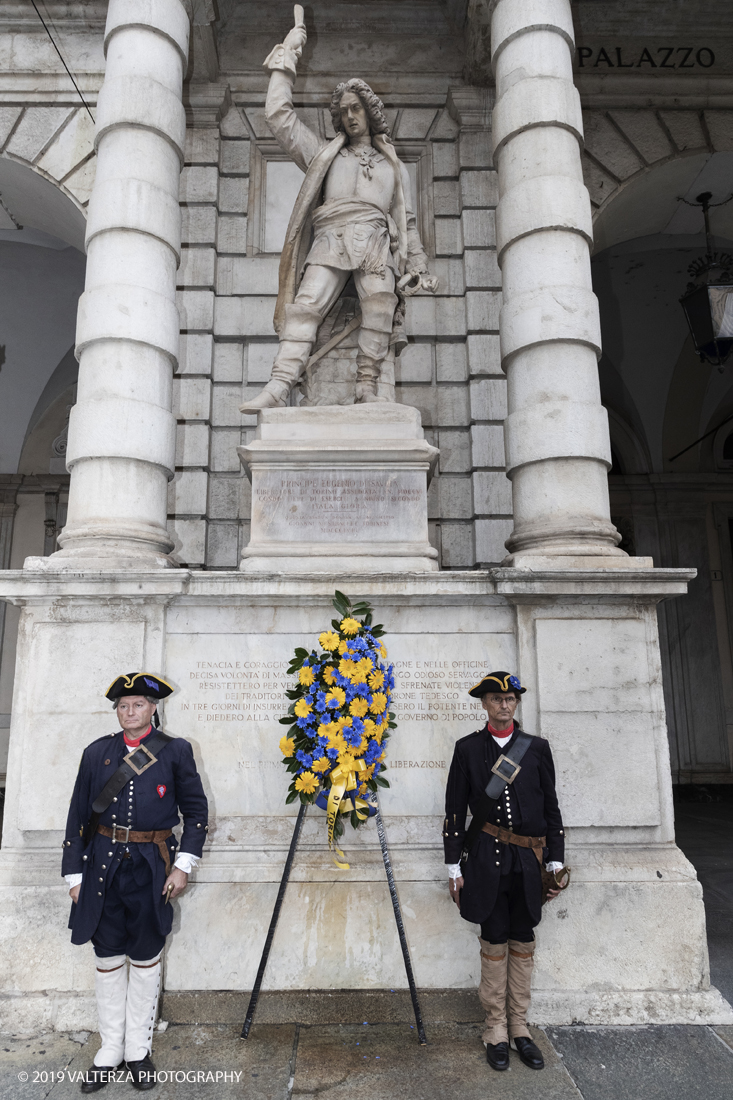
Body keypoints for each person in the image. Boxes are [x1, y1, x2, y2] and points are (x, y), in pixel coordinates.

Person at [240, 6, 437, 412]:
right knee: (306, 305)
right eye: (343, 111)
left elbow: (407, 220)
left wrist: (416, 263)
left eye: (355, 109)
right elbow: (278, 117)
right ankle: (278, 385)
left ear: (369, 111)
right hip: (331, 238)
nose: (349, 117)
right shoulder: (324, 156)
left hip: (376, 243)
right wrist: (287, 59)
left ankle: (367, 385)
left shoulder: (392, 165)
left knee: (379, 304)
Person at [62, 673, 208, 1092]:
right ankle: (110, 1048)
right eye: (124, 706)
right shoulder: (97, 752)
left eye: (138, 705)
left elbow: (196, 813)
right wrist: (74, 874)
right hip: (102, 866)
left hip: (152, 866)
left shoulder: (176, 751)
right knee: (107, 956)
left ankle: (137, 1050)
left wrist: (182, 866)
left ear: (153, 708)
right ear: (117, 711)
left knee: (145, 955)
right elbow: (76, 816)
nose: (131, 712)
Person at [443, 671, 565, 1072]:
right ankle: (495, 1028)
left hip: (528, 862)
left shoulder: (536, 749)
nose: (504, 704)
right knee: (493, 937)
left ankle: (519, 1027)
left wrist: (555, 862)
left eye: (510, 698)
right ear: (484, 704)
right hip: (484, 861)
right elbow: (455, 813)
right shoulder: (467, 749)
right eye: (496, 698)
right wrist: (452, 867)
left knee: (523, 936)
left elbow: (551, 809)